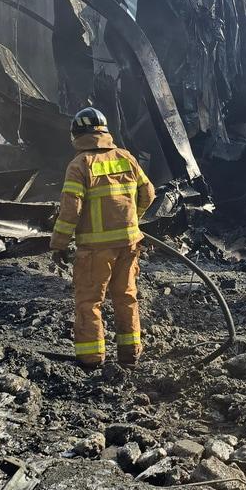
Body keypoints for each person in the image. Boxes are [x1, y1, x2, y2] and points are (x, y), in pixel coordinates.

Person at [50, 108, 154, 369]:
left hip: (96, 249)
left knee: (89, 302)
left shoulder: (79, 165)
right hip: (129, 243)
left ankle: (91, 360)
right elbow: (149, 193)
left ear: (77, 135)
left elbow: (70, 210)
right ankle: (130, 357)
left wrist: (59, 244)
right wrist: (133, 218)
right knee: (126, 297)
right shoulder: (126, 158)